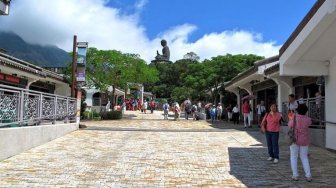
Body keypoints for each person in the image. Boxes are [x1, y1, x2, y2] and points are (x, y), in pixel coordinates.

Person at [288, 104, 312, 182]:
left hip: (294, 139)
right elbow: (309, 124)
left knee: (293, 157)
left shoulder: (294, 117)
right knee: (304, 157)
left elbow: (289, 125)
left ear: (297, 110)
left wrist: (291, 118)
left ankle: (295, 175)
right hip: (304, 140)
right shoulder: (308, 119)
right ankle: (308, 175)